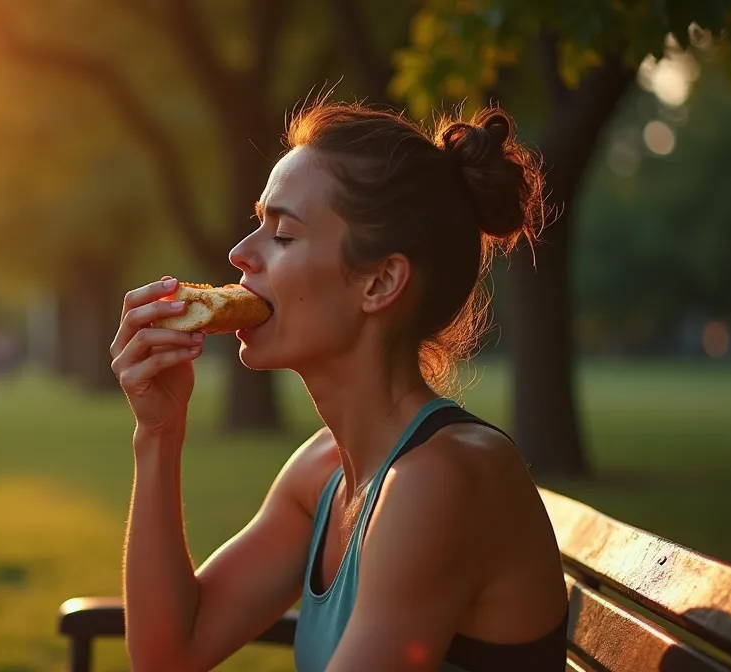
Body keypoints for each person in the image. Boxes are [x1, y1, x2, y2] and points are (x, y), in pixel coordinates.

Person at [110, 102, 568, 671]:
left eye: (281, 234)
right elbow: (168, 654)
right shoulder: (324, 470)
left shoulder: (441, 481)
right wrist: (158, 431)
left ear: (379, 282)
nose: (239, 255)